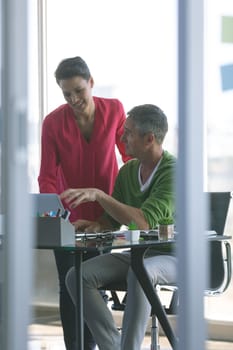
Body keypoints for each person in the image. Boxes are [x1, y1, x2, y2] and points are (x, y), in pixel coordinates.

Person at [61, 104, 177, 350]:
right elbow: (112, 220)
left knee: (140, 271)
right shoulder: (127, 172)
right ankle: (113, 346)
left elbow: (145, 221)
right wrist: (95, 225)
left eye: (128, 132)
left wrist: (100, 195)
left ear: (149, 139)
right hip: (139, 253)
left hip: (174, 256)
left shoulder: (173, 171)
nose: (122, 137)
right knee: (76, 276)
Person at [38, 56, 130, 350]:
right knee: (70, 286)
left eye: (79, 90)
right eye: (67, 94)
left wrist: (135, 203)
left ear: (91, 83)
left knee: (94, 285)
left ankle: (102, 344)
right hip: (70, 220)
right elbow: (47, 178)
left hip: (106, 215)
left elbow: (129, 159)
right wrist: (56, 220)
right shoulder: (53, 123)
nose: (74, 99)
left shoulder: (114, 110)